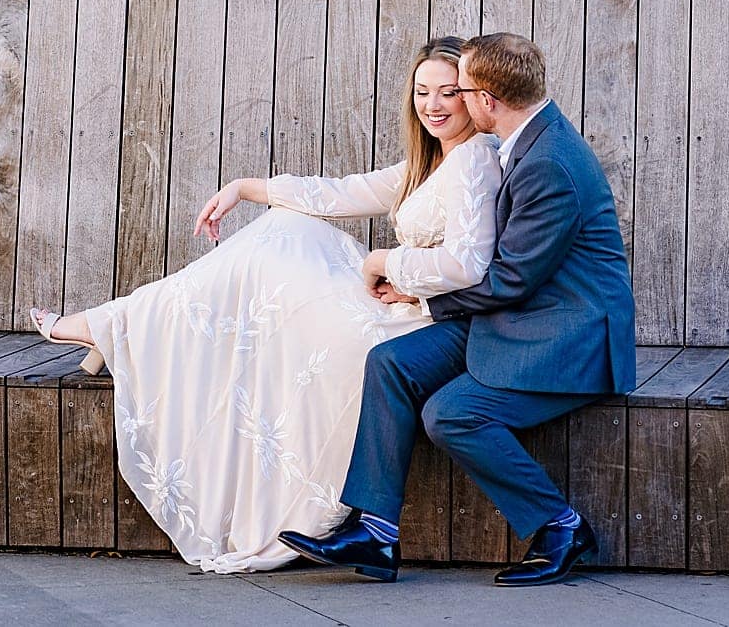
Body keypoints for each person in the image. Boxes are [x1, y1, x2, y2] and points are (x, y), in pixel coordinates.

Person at [28, 37, 501, 573]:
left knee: (276, 265)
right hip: (399, 295)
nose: (434, 105)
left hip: (420, 315)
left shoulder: (474, 161)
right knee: (286, 227)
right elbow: (343, 192)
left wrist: (389, 267)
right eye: (423, 92)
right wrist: (247, 188)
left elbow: (472, 263)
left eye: (449, 93)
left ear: (474, 97)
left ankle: (116, 323)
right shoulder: (431, 161)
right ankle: (123, 321)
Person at [277, 32, 637, 586]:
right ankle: (375, 532)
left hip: (566, 336)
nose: (449, 103)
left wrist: (416, 289)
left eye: (460, 90)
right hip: (513, 317)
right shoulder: (525, 140)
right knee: (389, 362)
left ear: (486, 100)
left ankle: (560, 525)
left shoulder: (549, 164)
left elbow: (511, 280)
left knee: (451, 413)